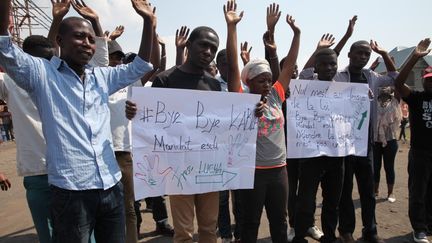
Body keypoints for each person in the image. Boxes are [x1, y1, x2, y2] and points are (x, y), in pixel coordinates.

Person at [0, 0, 155, 242]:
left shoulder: (102, 77)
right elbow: (5, 48)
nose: (87, 43)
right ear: (60, 42)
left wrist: (149, 21)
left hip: (110, 185)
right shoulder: (42, 75)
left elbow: (140, 67)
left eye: (91, 39)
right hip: (71, 191)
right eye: (80, 37)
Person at [224, 0, 300, 241]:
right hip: (251, 173)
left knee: (280, 222)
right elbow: (234, 66)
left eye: (269, 79)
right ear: (249, 82)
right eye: (261, 80)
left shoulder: (276, 96)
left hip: (279, 172)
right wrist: (232, 28)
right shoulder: (240, 98)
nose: (267, 84)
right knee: (249, 224)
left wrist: (297, 34)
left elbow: (288, 66)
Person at [333, 40, 397, 243]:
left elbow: (394, 79)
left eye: (366, 54)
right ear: (350, 54)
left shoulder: (372, 77)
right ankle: (346, 231)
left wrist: (385, 54)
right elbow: (310, 77)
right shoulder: (338, 77)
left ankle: (370, 231)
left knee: (368, 192)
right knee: (345, 192)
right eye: (359, 53)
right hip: (343, 145)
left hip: (365, 144)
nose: (363, 57)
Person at [292, 48, 345, 243]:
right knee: (305, 200)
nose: (329, 68)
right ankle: (299, 236)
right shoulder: (302, 88)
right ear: (316, 66)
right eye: (324, 64)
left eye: (333, 64)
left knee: (332, 201)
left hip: (336, 155)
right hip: (310, 156)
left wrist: (364, 98)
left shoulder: (345, 89)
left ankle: (329, 237)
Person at [393, 38, 432, 243]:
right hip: (420, 153)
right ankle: (419, 228)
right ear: (424, 80)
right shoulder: (417, 98)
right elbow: (398, 83)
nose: (431, 82)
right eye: (429, 79)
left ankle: (429, 224)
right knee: (418, 191)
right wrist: (414, 57)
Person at [373, 87, 401, 203]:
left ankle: (390, 192)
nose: (384, 89)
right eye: (382, 87)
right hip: (375, 140)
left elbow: (398, 80)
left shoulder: (395, 101)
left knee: (389, 167)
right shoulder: (373, 101)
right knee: (375, 166)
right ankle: (375, 191)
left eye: (387, 87)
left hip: (390, 140)